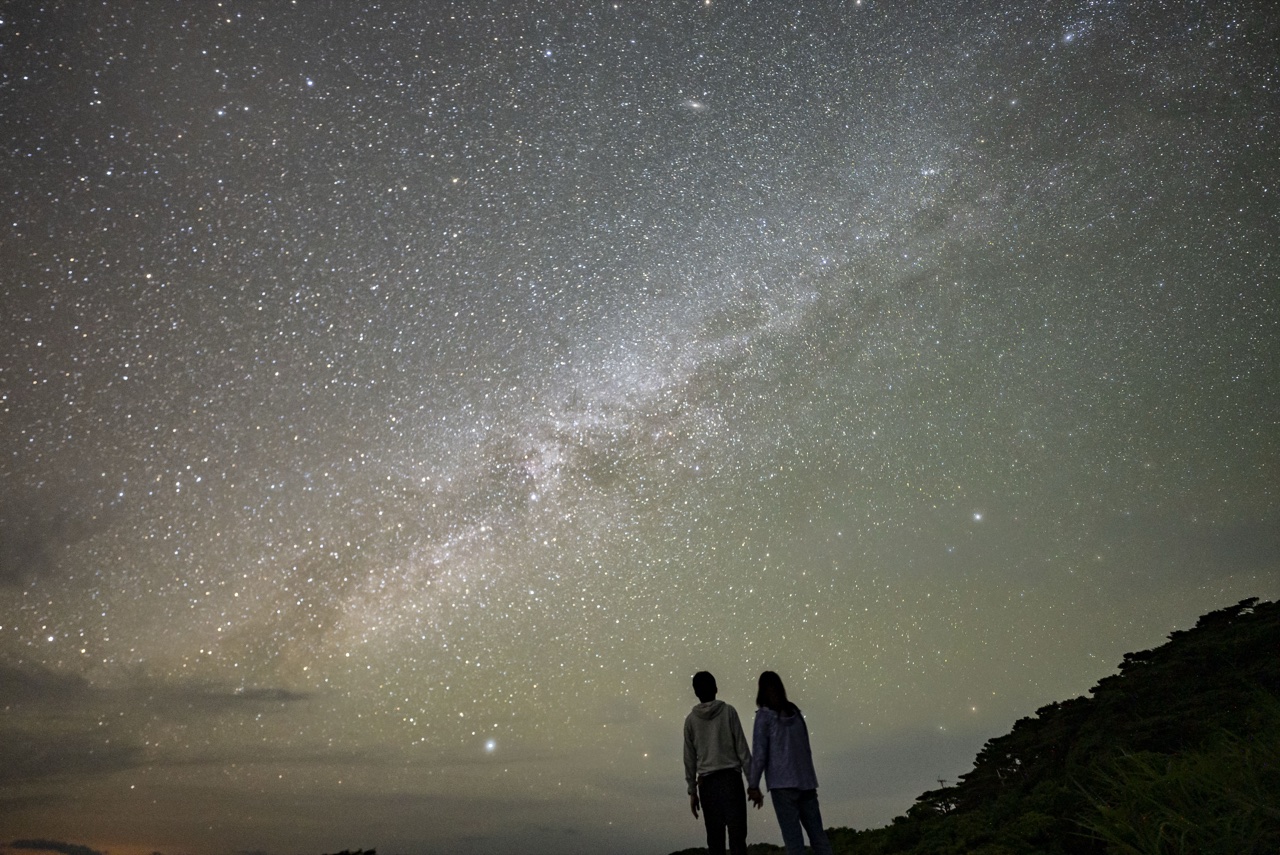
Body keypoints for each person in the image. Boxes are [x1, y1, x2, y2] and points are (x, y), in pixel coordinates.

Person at [746, 670, 834, 855]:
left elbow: (760, 754)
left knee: (794, 843)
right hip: (806, 782)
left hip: (782, 784)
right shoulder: (796, 713)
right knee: (819, 838)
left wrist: (753, 785)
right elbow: (805, 748)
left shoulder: (764, 716)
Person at [683, 670, 752, 855]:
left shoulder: (690, 721)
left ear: (696, 693)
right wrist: (752, 783)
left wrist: (692, 790)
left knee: (715, 841)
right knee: (738, 838)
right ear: (716, 688)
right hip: (731, 780)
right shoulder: (729, 712)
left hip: (707, 785)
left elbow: (689, 759)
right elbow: (742, 749)